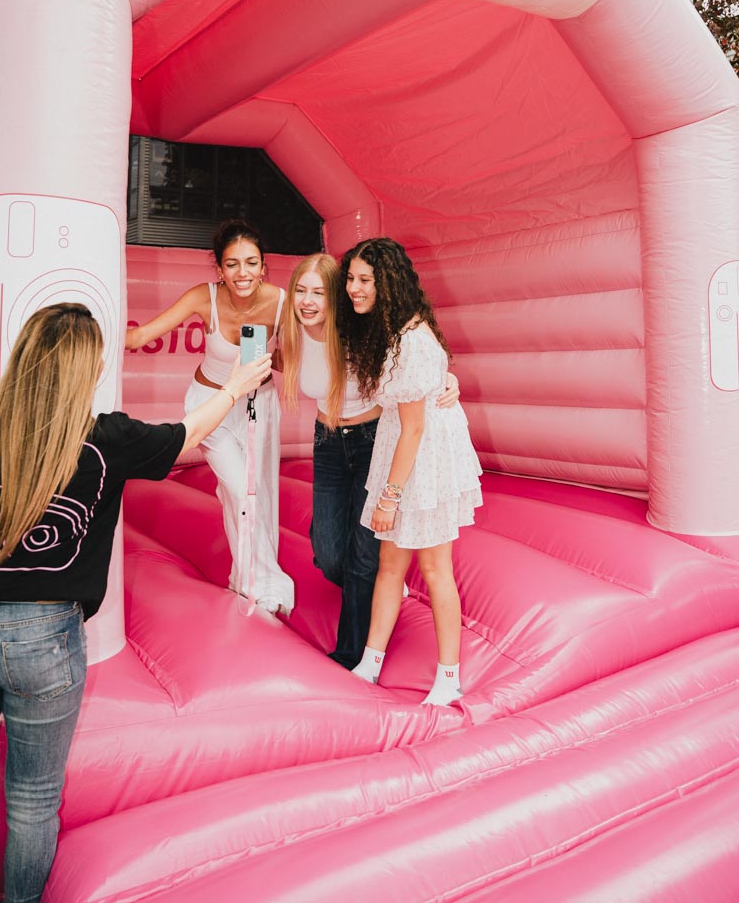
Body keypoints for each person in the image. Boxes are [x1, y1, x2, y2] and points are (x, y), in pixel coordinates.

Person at [0, 302, 270, 902]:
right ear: (88, 368)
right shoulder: (103, 439)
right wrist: (237, 385)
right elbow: (187, 435)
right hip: (42, 633)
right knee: (33, 799)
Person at [278, 252, 460, 670]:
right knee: (329, 555)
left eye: (319, 292)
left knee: (363, 557)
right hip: (327, 441)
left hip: (371, 441)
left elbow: (415, 358)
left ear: (335, 297)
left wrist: (448, 379)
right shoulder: (291, 329)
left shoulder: (360, 328)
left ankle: (352, 654)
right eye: (301, 291)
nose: (307, 301)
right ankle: (382, 586)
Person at [339, 238, 483, 707]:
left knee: (435, 568)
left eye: (364, 280)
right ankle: (370, 663)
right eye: (351, 279)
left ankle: (449, 677)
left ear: (387, 283)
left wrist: (389, 497)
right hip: (407, 450)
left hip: (422, 459)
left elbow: (415, 428)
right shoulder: (395, 331)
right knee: (389, 565)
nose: (354, 288)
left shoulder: (411, 342)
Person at [124, 218, 294, 615]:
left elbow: (293, 361)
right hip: (211, 406)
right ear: (219, 269)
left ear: (263, 266)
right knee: (238, 489)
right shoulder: (205, 297)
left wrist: (267, 357)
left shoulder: (281, 302)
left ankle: (249, 579)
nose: (242, 273)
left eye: (251, 263)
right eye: (232, 264)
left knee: (259, 493)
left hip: (258, 405)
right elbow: (140, 336)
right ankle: (261, 586)